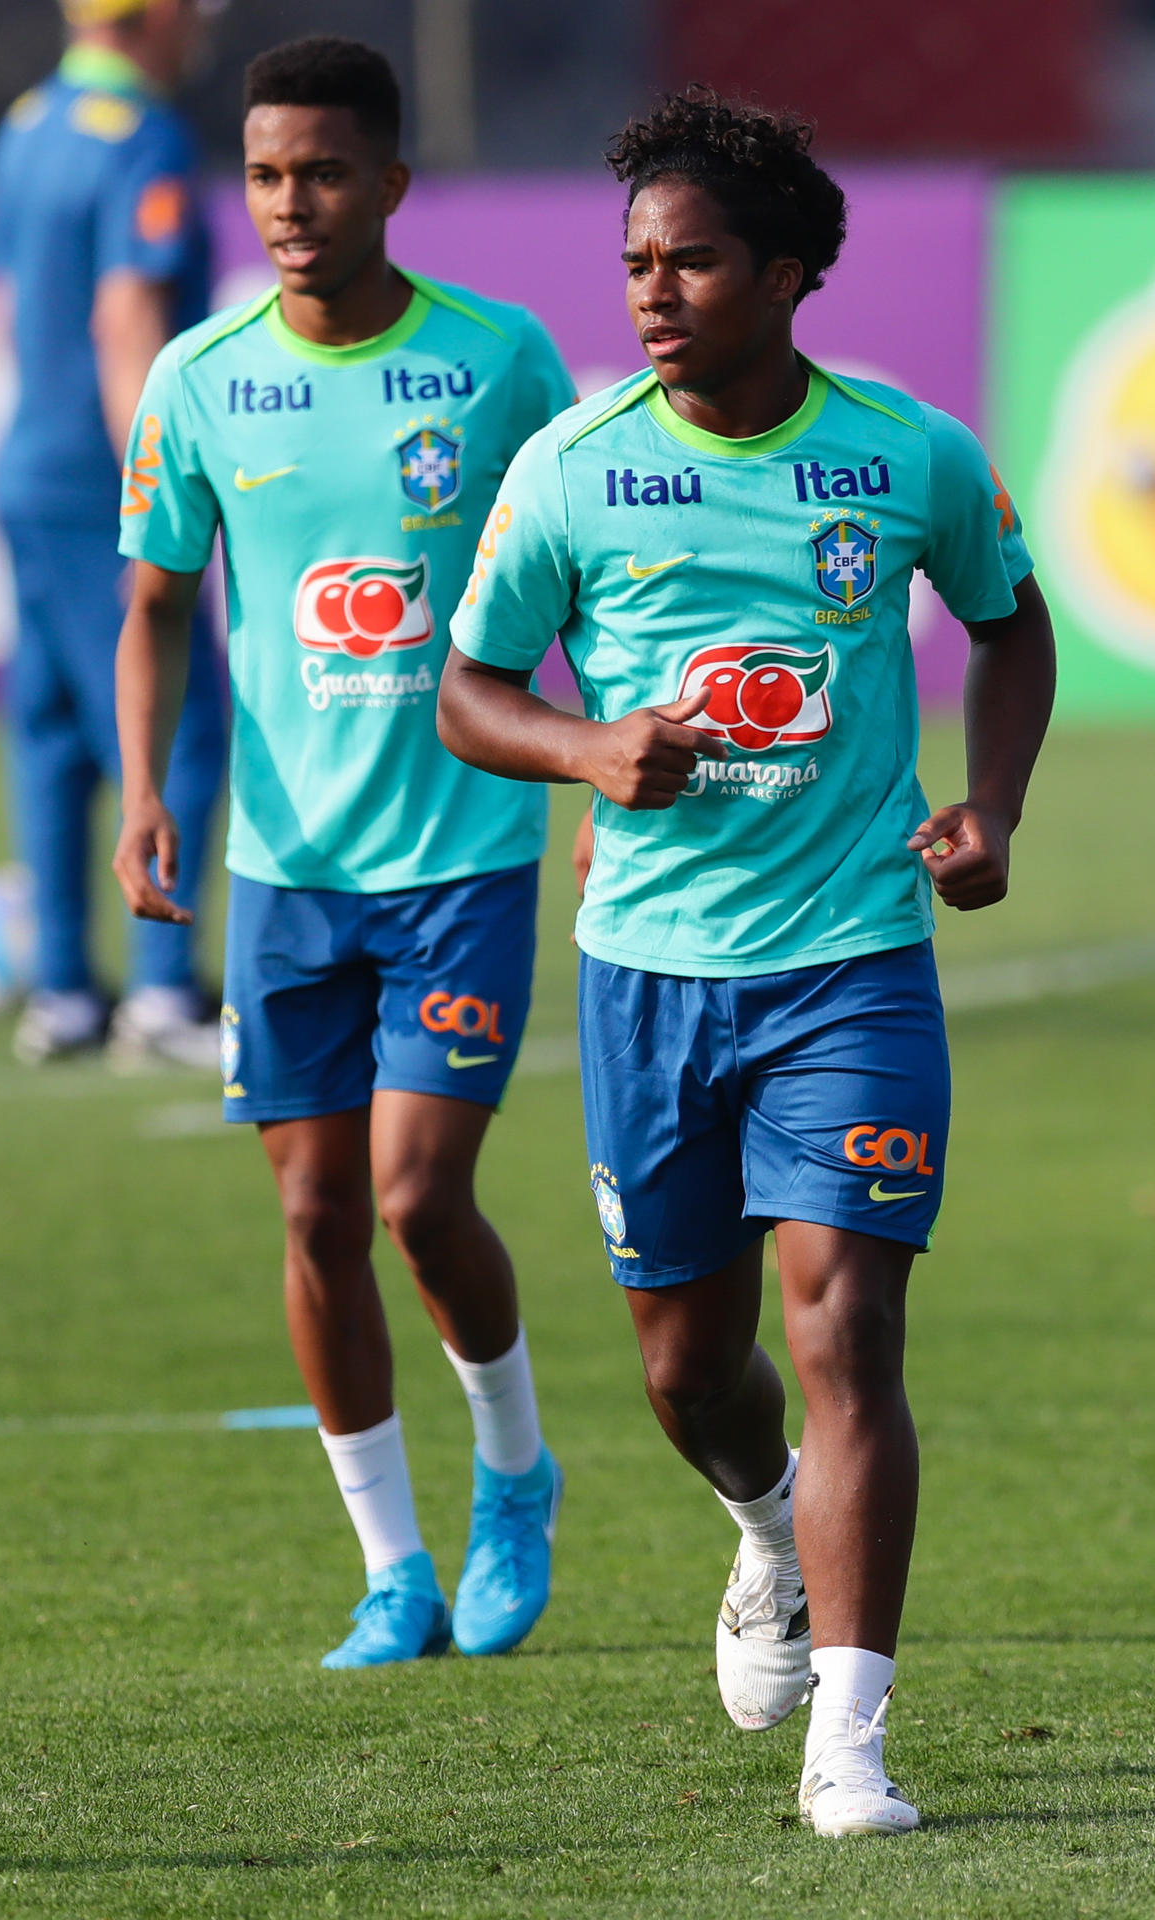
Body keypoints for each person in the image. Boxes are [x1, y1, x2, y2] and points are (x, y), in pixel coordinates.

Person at [439, 87, 1055, 1834]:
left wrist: (988, 806)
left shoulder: (907, 453)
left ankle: (850, 1747)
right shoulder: (571, 465)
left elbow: (1010, 624)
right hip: (647, 973)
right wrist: (584, 750)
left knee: (849, 1322)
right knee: (685, 1372)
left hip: (854, 955)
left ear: (787, 273)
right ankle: (766, 1526)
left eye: (690, 259)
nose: (650, 290)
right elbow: (466, 689)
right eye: (635, 260)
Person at [111, 37, 574, 1666]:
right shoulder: (199, 377)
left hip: (462, 851)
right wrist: (150, 793)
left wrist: (598, 774)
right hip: (286, 872)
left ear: (388, 180)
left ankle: (515, 1475)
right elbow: (159, 603)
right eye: (263, 173)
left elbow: (587, 581)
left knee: (415, 1198)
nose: (289, 203)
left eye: (320, 171)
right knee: (313, 1218)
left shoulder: (500, 360)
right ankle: (394, 1568)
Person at [0, 0, 226, 1066]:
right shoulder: (142, 136)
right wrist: (155, 490)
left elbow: (10, 303)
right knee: (174, 715)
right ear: (154, 16)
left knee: (47, 724)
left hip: (31, 458)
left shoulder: (29, 122)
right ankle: (164, 991)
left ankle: (67, 993)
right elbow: (128, 314)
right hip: (101, 472)